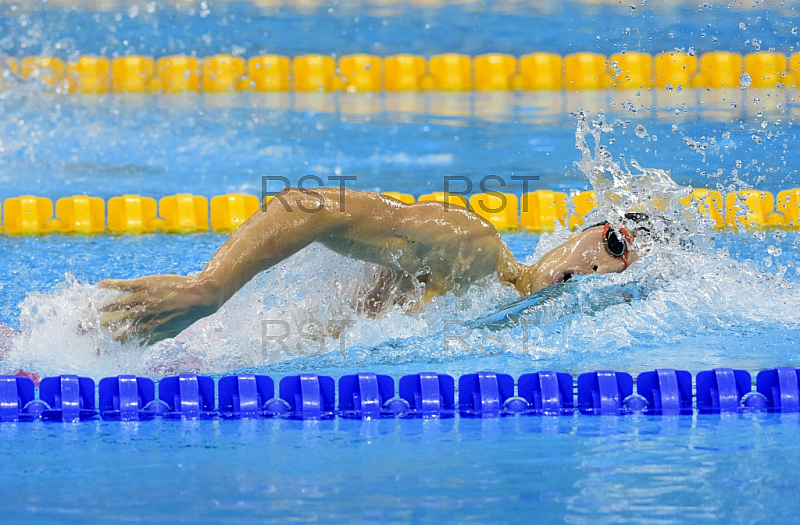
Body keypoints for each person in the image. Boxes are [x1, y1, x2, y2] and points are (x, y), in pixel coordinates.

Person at [99, 187, 638, 344]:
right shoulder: (472, 245)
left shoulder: (525, 326)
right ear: (586, 229)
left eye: (625, 270)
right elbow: (309, 204)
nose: (603, 269)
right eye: (614, 244)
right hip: (198, 349)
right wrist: (209, 288)